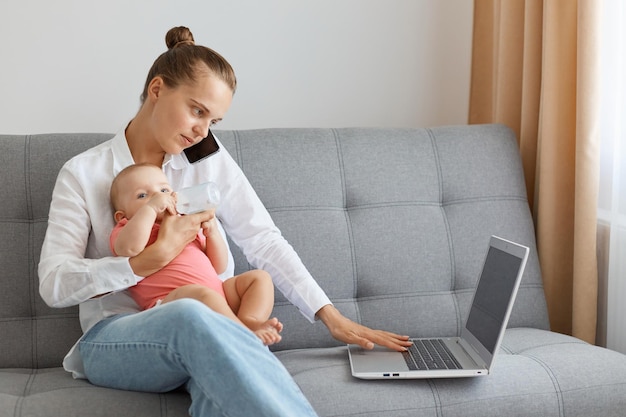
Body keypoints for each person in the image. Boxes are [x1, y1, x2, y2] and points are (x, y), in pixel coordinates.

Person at [38, 26, 411, 416]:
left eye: (212, 121)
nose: (202, 130)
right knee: (191, 315)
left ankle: (236, 338)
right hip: (117, 337)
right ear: (157, 89)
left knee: (224, 388)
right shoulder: (83, 173)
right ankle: (236, 335)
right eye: (197, 110)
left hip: (215, 329)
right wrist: (141, 263)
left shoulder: (205, 158)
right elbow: (54, 283)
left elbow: (263, 239)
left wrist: (329, 316)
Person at [109, 163, 282, 345]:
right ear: (122, 216)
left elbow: (218, 266)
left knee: (259, 278)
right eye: (142, 195)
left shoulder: (184, 224)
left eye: (164, 189)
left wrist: (212, 233)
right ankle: (242, 335)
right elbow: (129, 249)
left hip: (217, 296)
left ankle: (249, 321)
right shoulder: (127, 228)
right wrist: (150, 209)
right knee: (199, 293)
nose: (158, 197)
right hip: (171, 304)